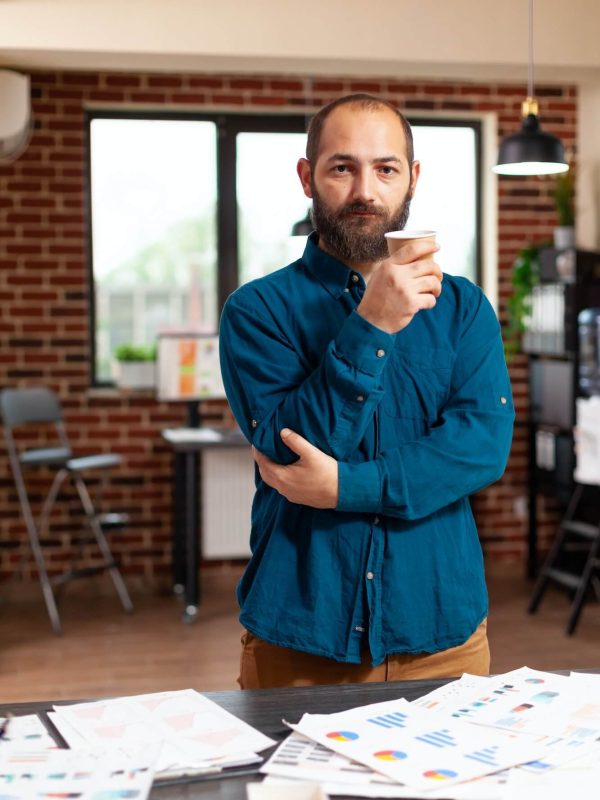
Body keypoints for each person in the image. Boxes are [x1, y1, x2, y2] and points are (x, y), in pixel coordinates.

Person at [219, 94, 514, 689]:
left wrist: (346, 487)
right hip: (302, 640)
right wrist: (372, 324)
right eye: (341, 167)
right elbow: (290, 448)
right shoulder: (257, 311)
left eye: (386, 168)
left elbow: (480, 447)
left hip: (443, 639)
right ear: (308, 177)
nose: (365, 192)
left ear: (413, 179)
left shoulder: (463, 309)